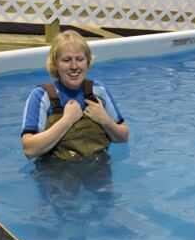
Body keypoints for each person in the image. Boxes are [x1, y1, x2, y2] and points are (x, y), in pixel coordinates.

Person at [21, 31, 129, 161]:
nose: (74, 66)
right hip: (56, 172)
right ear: (55, 64)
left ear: (87, 62)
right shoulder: (42, 96)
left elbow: (123, 137)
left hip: (98, 166)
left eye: (80, 59)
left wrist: (105, 120)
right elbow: (29, 149)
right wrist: (67, 120)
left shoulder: (99, 90)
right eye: (66, 60)